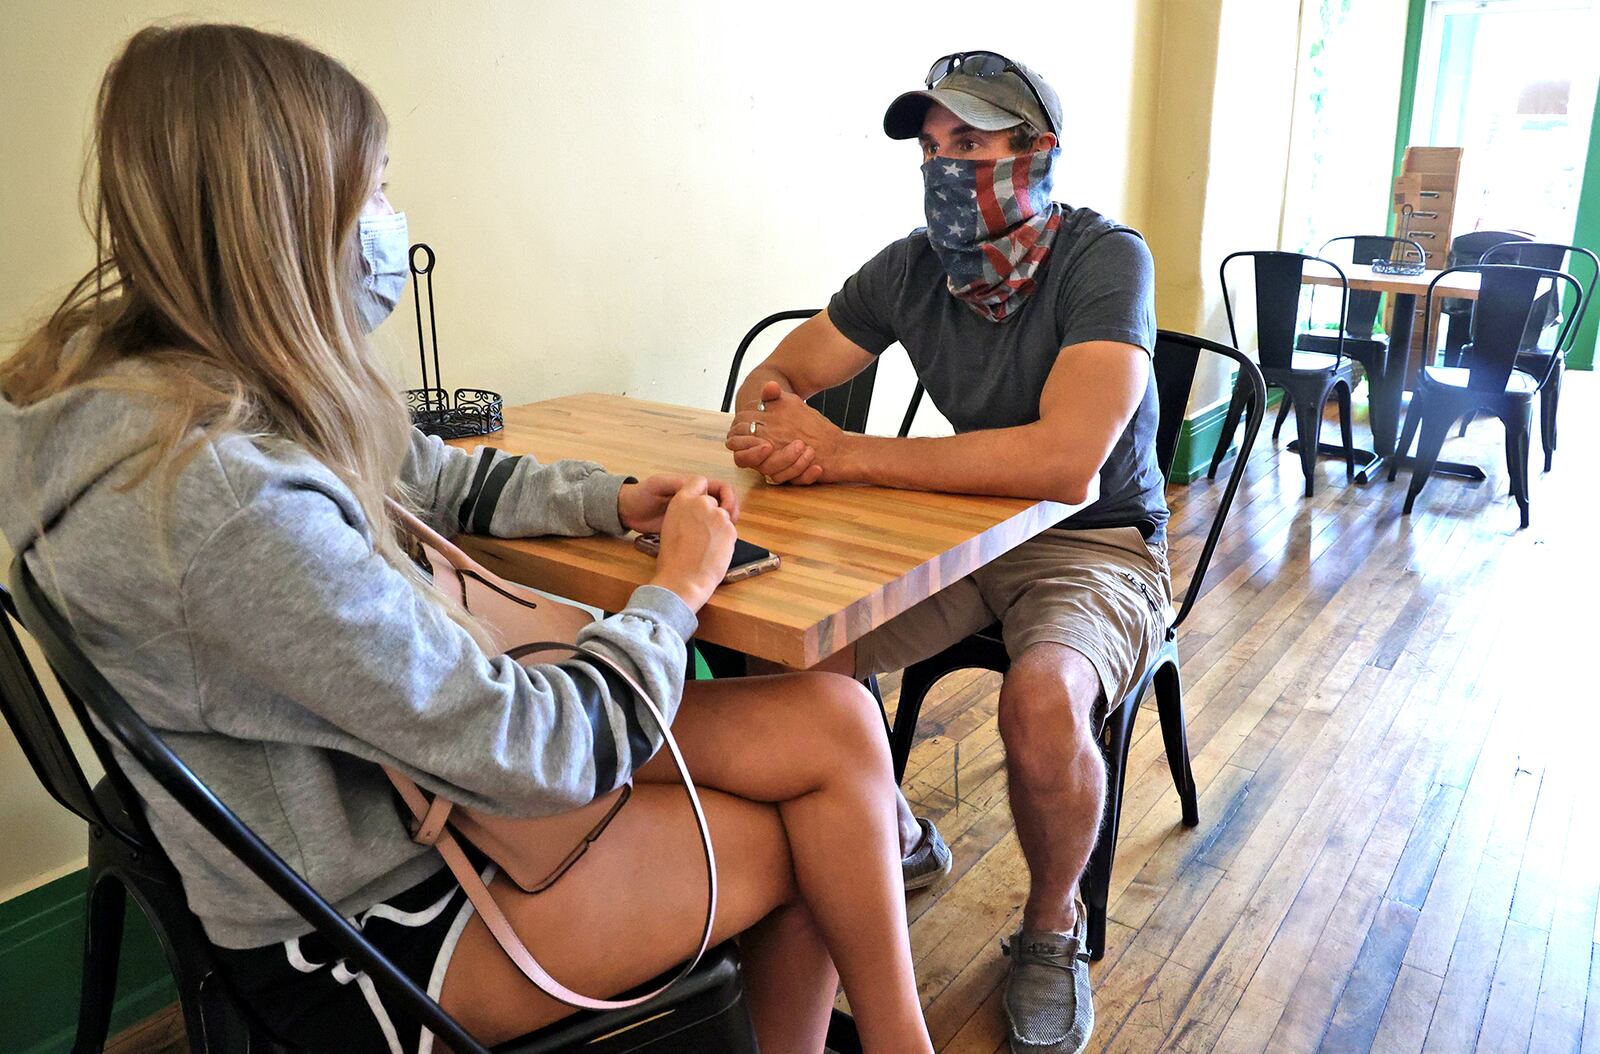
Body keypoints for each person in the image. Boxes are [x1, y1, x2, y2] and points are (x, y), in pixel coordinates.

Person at [0, 25, 934, 1054]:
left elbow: (430, 473)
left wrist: (613, 500)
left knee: (838, 717)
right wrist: (670, 592)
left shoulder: (176, 393)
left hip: (411, 793)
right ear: (289, 223)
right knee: (824, 838)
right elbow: (545, 752)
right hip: (376, 930)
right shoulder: (222, 504)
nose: (392, 226)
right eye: (376, 195)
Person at [725, 52, 1170, 1054]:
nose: (944, 169)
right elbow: (777, 376)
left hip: (1090, 546)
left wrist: (847, 455)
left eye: (968, 145)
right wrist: (774, 424)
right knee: (791, 644)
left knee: (1044, 697)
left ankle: (1051, 930)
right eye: (931, 149)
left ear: (1037, 152)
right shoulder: (912, 265)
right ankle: (886, 830)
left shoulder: (1105, 258)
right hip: (948, 534)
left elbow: (1067, 462)